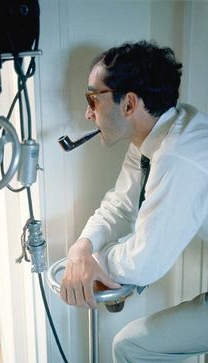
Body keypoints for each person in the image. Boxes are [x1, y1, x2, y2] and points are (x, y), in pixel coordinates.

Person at [60, 40, 208, 362]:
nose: (87, 113)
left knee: (131, 345)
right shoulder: (155, 132)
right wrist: (83, 247)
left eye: (92, 99)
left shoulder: (177, 156)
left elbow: (144, 263)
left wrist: (95, 263)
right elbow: (121, 205)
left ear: (128, 105)